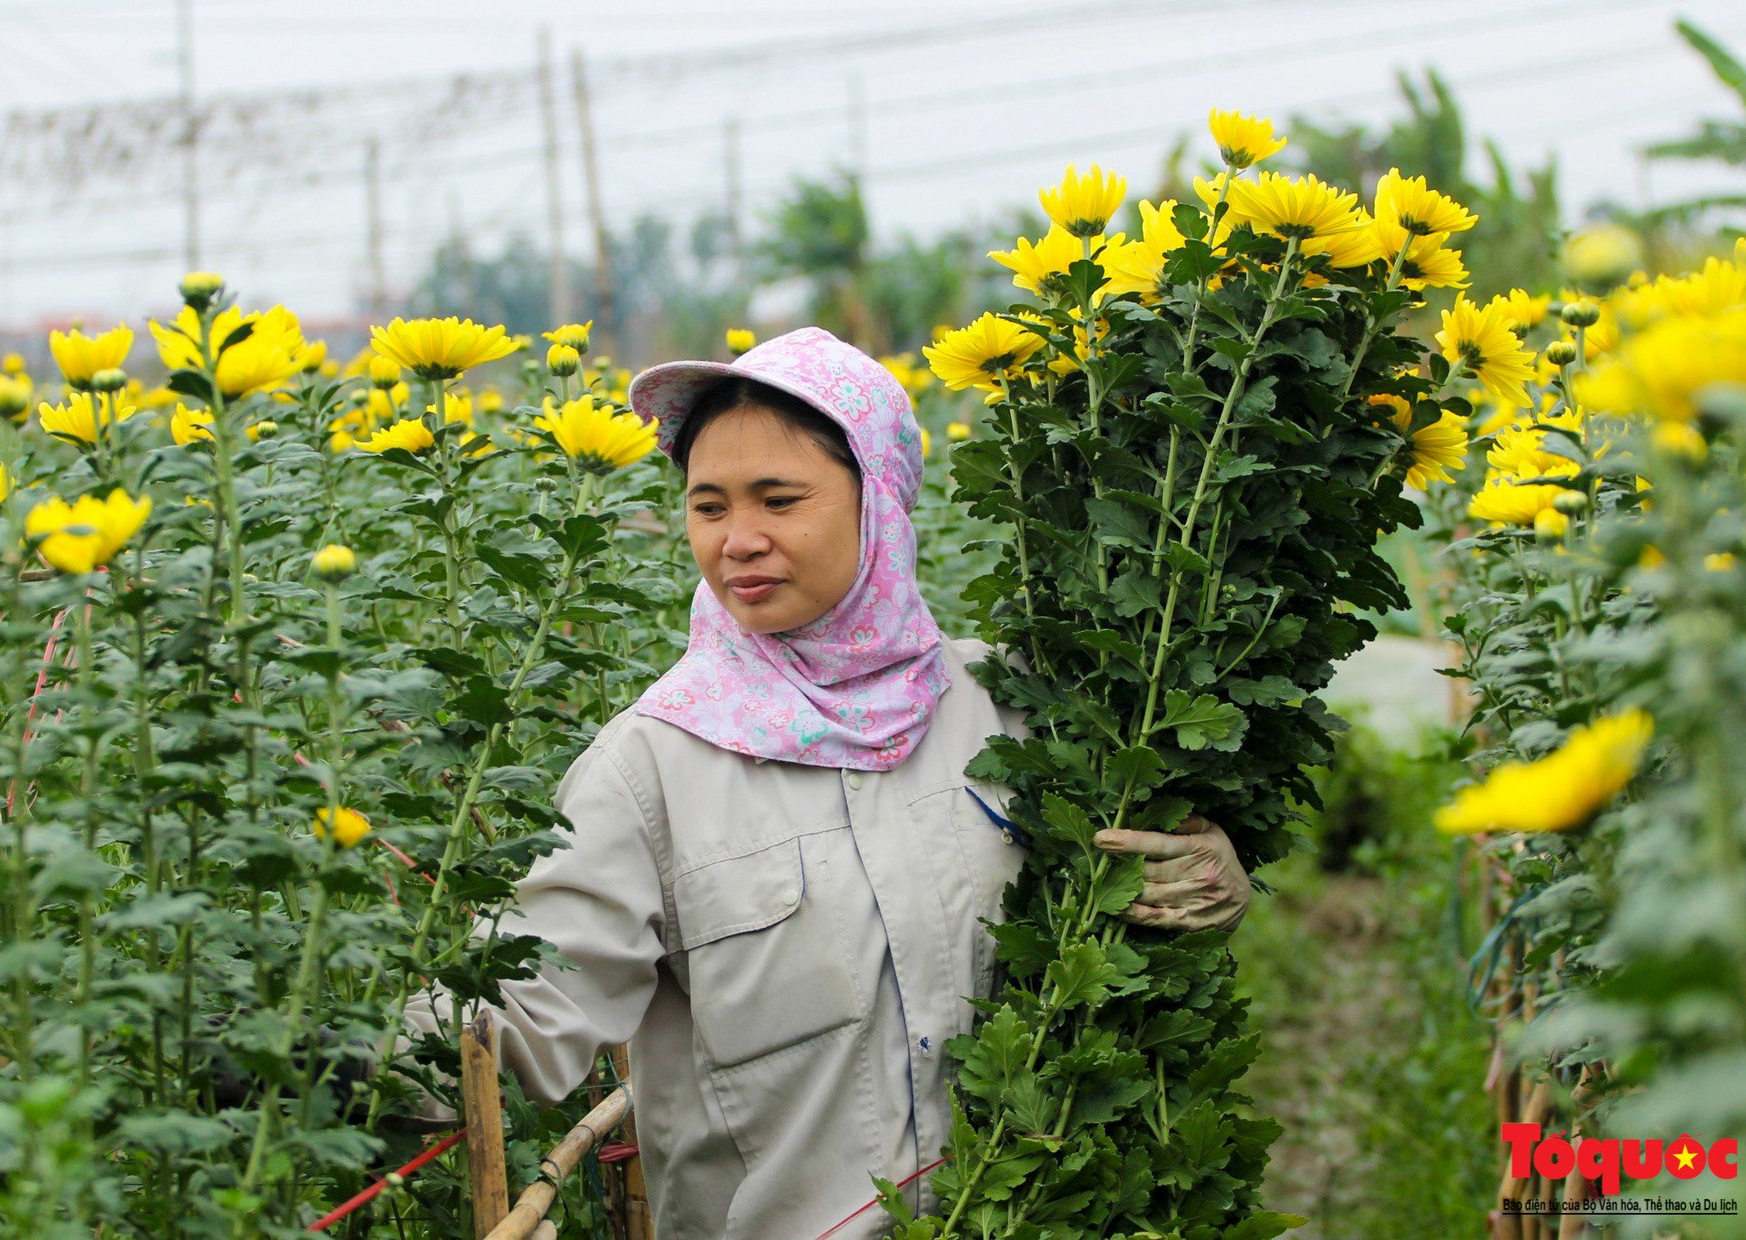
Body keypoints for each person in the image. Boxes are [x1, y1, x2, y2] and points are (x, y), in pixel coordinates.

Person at [390, 326, 1252, 1238]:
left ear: (879, 500)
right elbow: (532, 996)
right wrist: (358, 1072)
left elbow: (1140, 885)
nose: (739, 541)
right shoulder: (650, 768)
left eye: (780, 498)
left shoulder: (1011, 705)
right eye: (709, 506)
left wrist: (1209, 874)